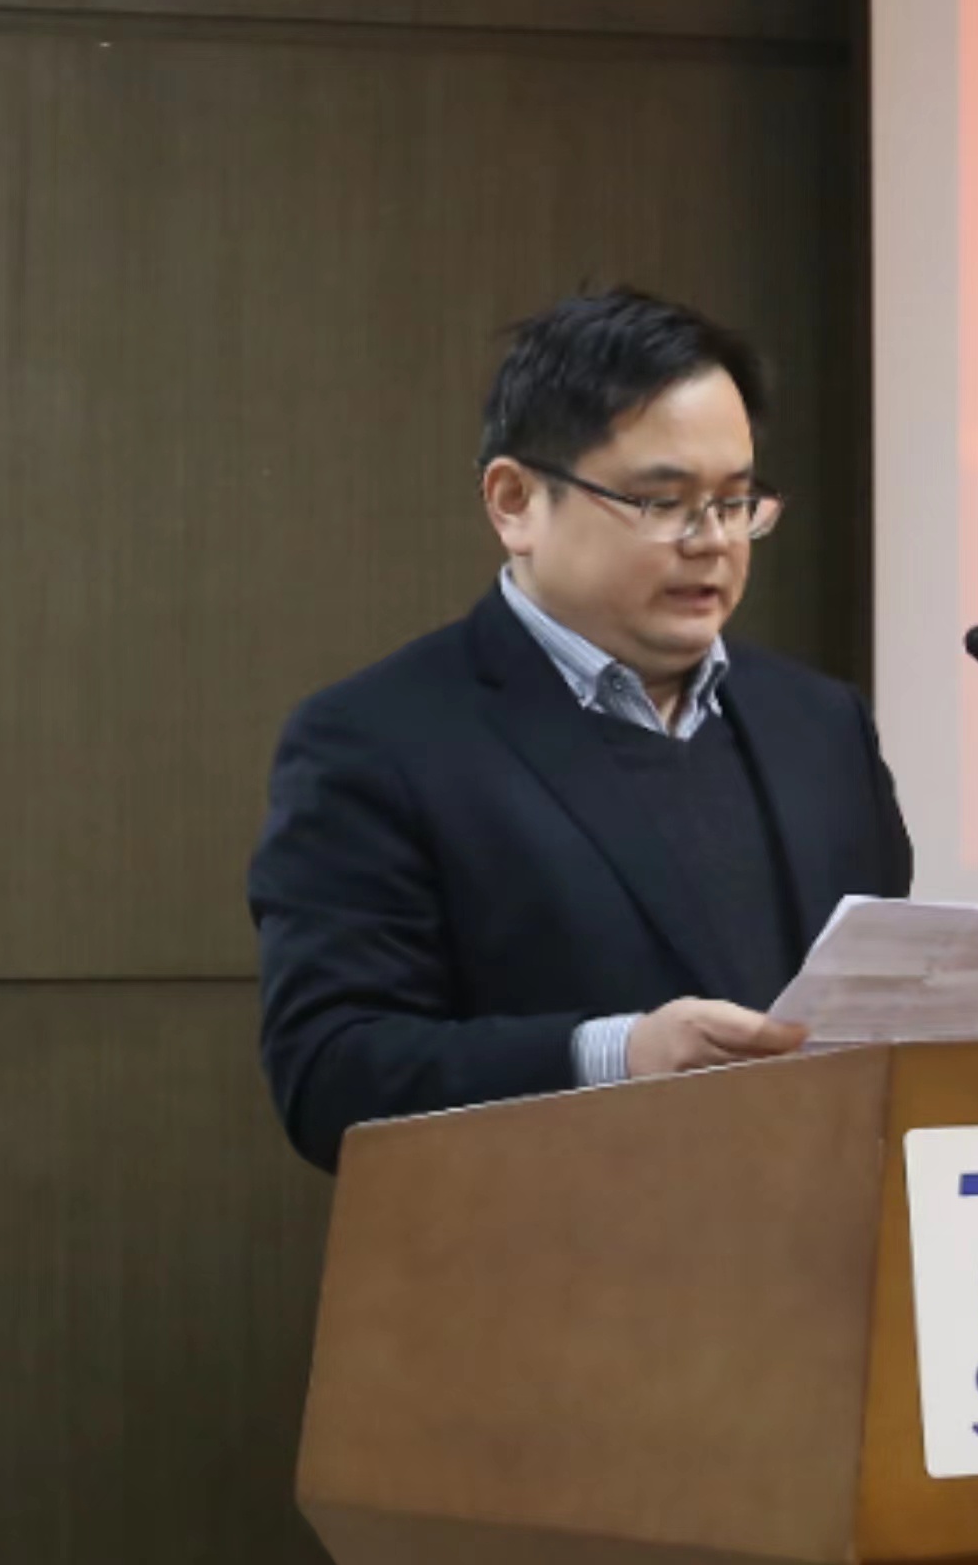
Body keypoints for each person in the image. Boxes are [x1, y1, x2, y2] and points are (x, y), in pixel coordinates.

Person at [249, 289, 913, 1171]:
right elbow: (332, 1075)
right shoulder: (378, 741)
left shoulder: (821, 726)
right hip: (555, 1246)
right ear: (515, 500)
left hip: (819, 1236)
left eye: (735, 501)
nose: (712, 541)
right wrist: (617, 1056)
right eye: (662, 501)